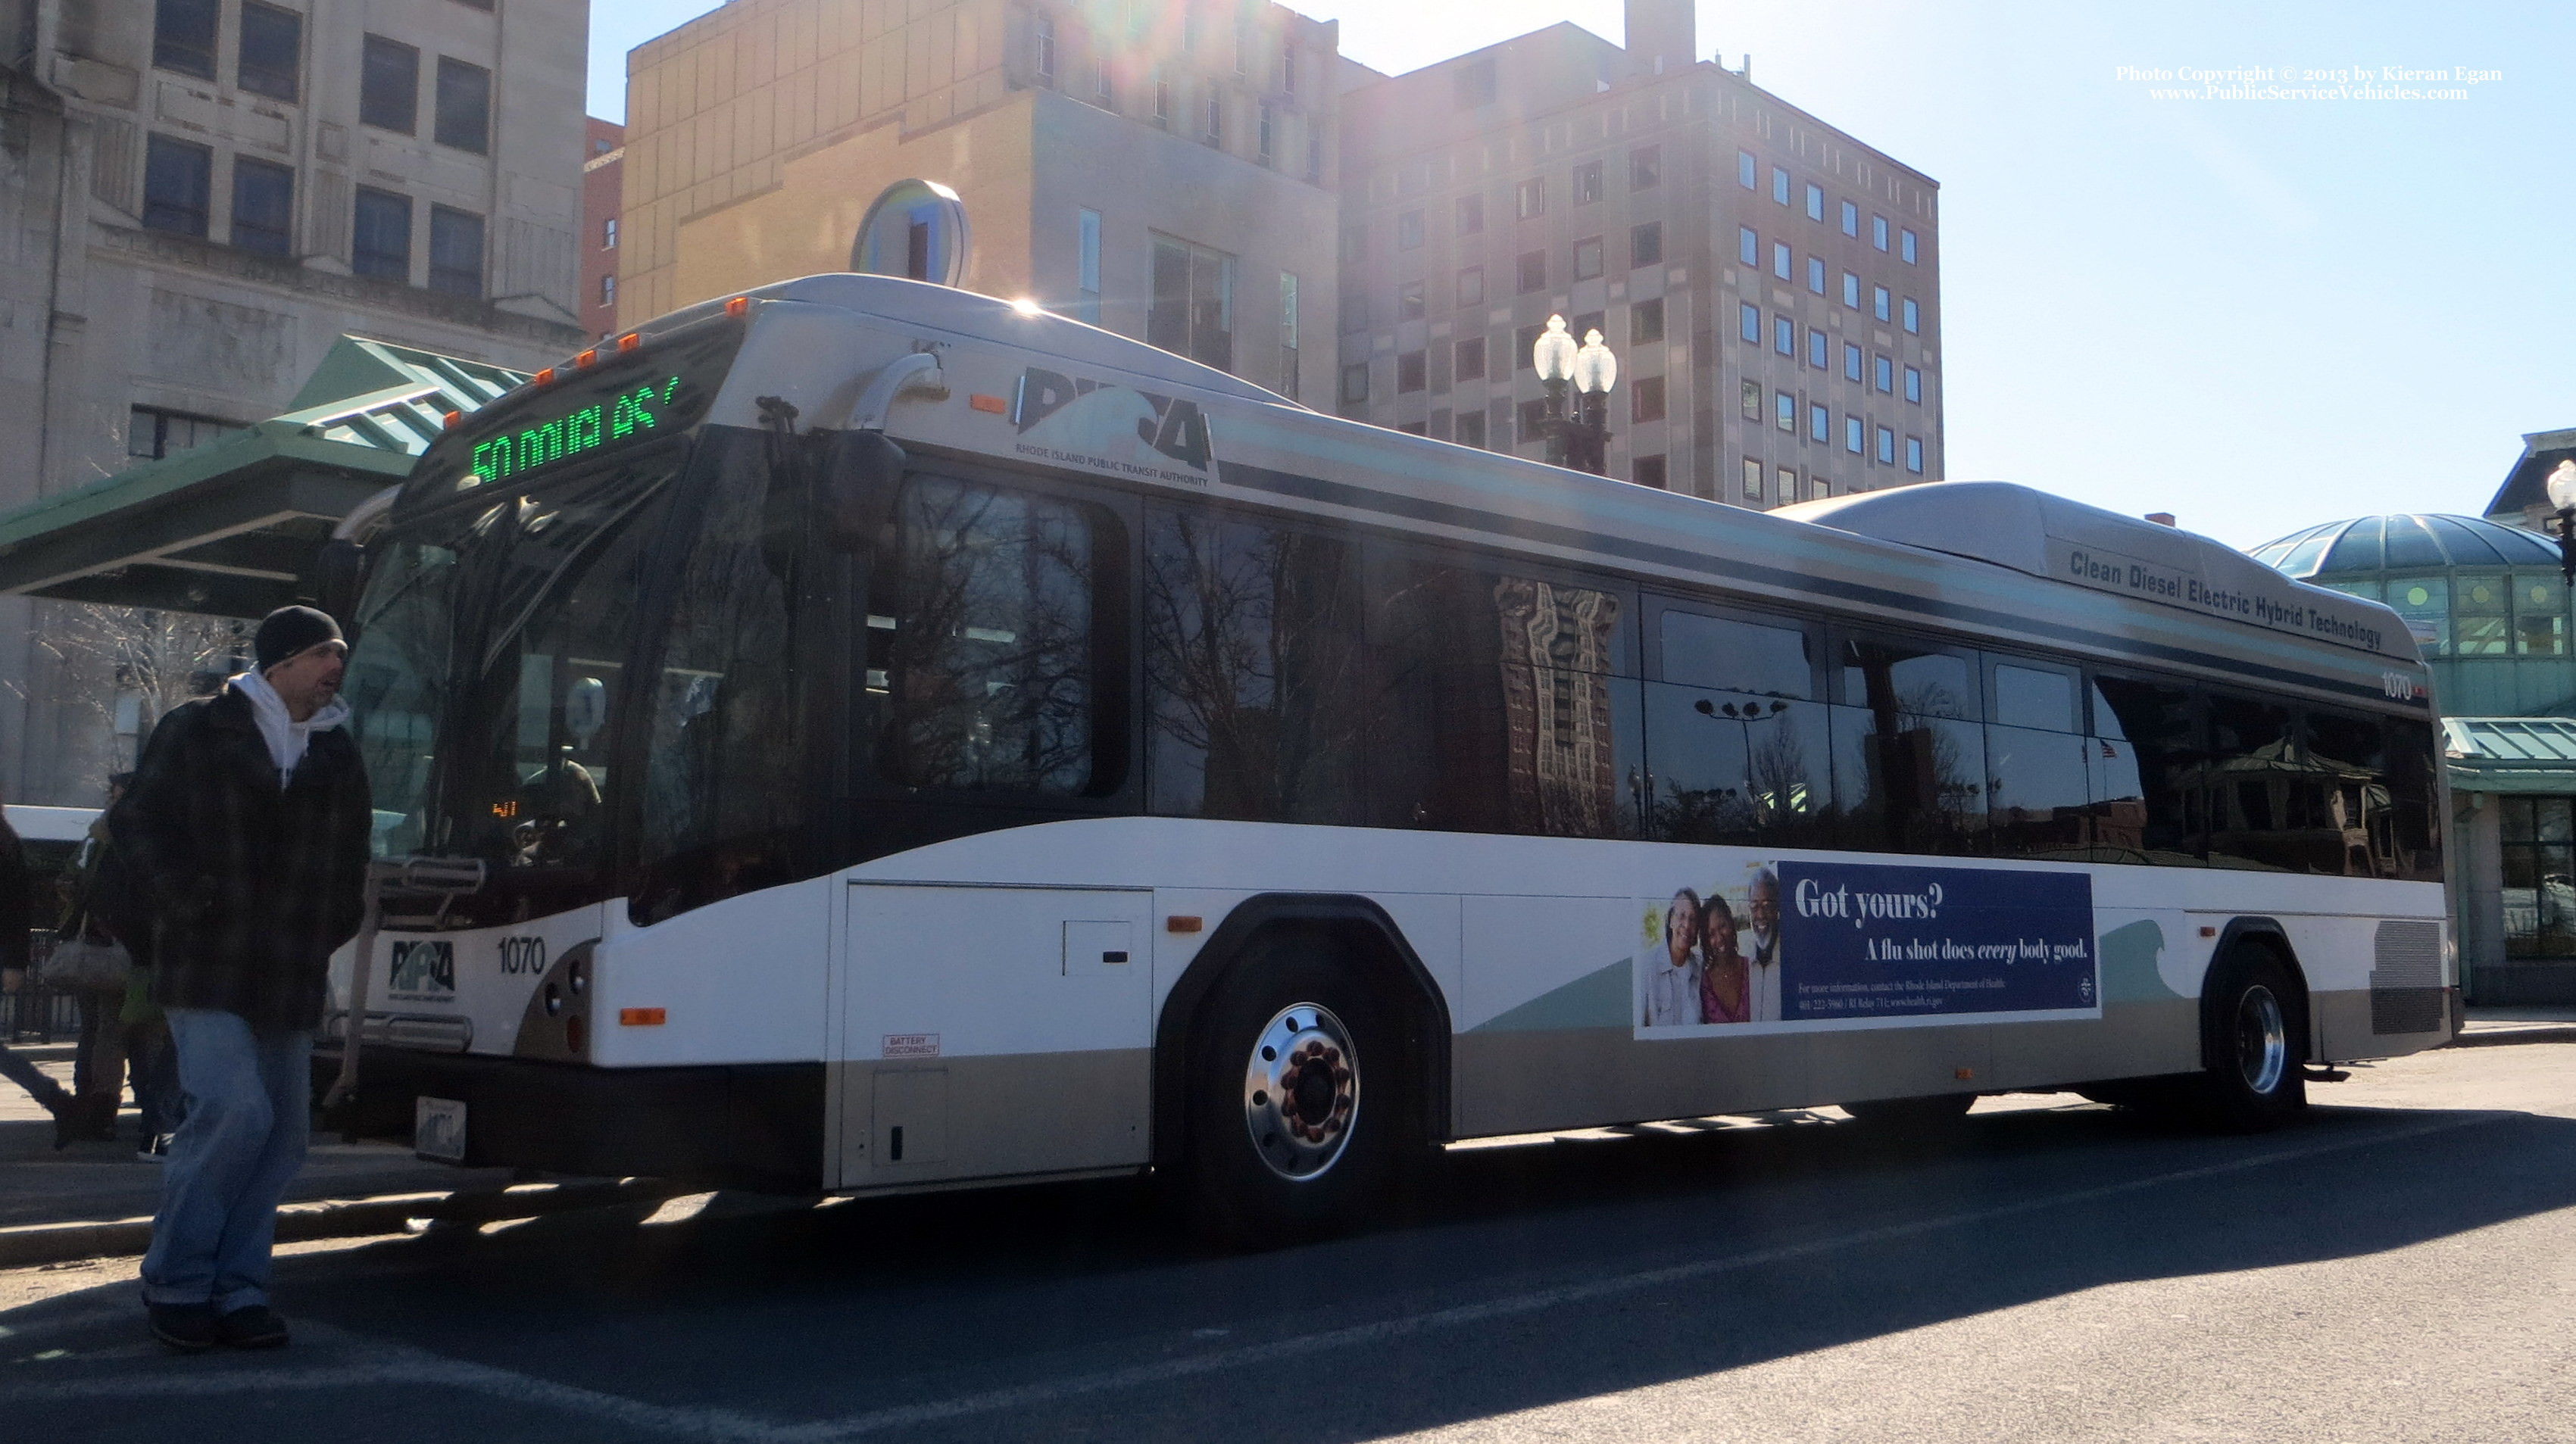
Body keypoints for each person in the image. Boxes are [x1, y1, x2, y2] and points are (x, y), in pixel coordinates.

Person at [120, 607, 371, 1353]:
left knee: (282, 1135)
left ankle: (238, 1289)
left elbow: (351, 856)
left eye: (340, 655)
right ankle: (176, 1280)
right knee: (235, 1111)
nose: (335, 667)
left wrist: (328, 923)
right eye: (323, 652)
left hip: (289, 969)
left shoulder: (336, 750)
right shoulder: (198, 726)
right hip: (206, 960)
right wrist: (188, 899)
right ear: (280, 662)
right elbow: (137, 820)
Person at [0, 798, 83, 1146]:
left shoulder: (6, 846)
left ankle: (58, 1101)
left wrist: (15, 963)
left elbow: (17, 908)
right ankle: (58, 1101)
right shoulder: (7, 841)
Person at [1641, 888, 1703, 1028]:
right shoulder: (1647, 967)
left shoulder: (1700, 969)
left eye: (1692, 919)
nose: (1687, 925)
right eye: (1681, 916)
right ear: (1670, 920)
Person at [1697, 894, 1752, 1025]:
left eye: (1722, 926)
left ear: (1731, 924)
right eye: (1711, 934)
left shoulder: (1752, 969)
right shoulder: (1703, 985)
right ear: (1706, 940)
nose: (1720, 938)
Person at [1745, 868, 1784, 1023]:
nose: (1760, 915)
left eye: (1767, 906)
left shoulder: (1793, 961)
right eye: (1754, 906)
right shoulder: (1742, 960)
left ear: (1777, 909)